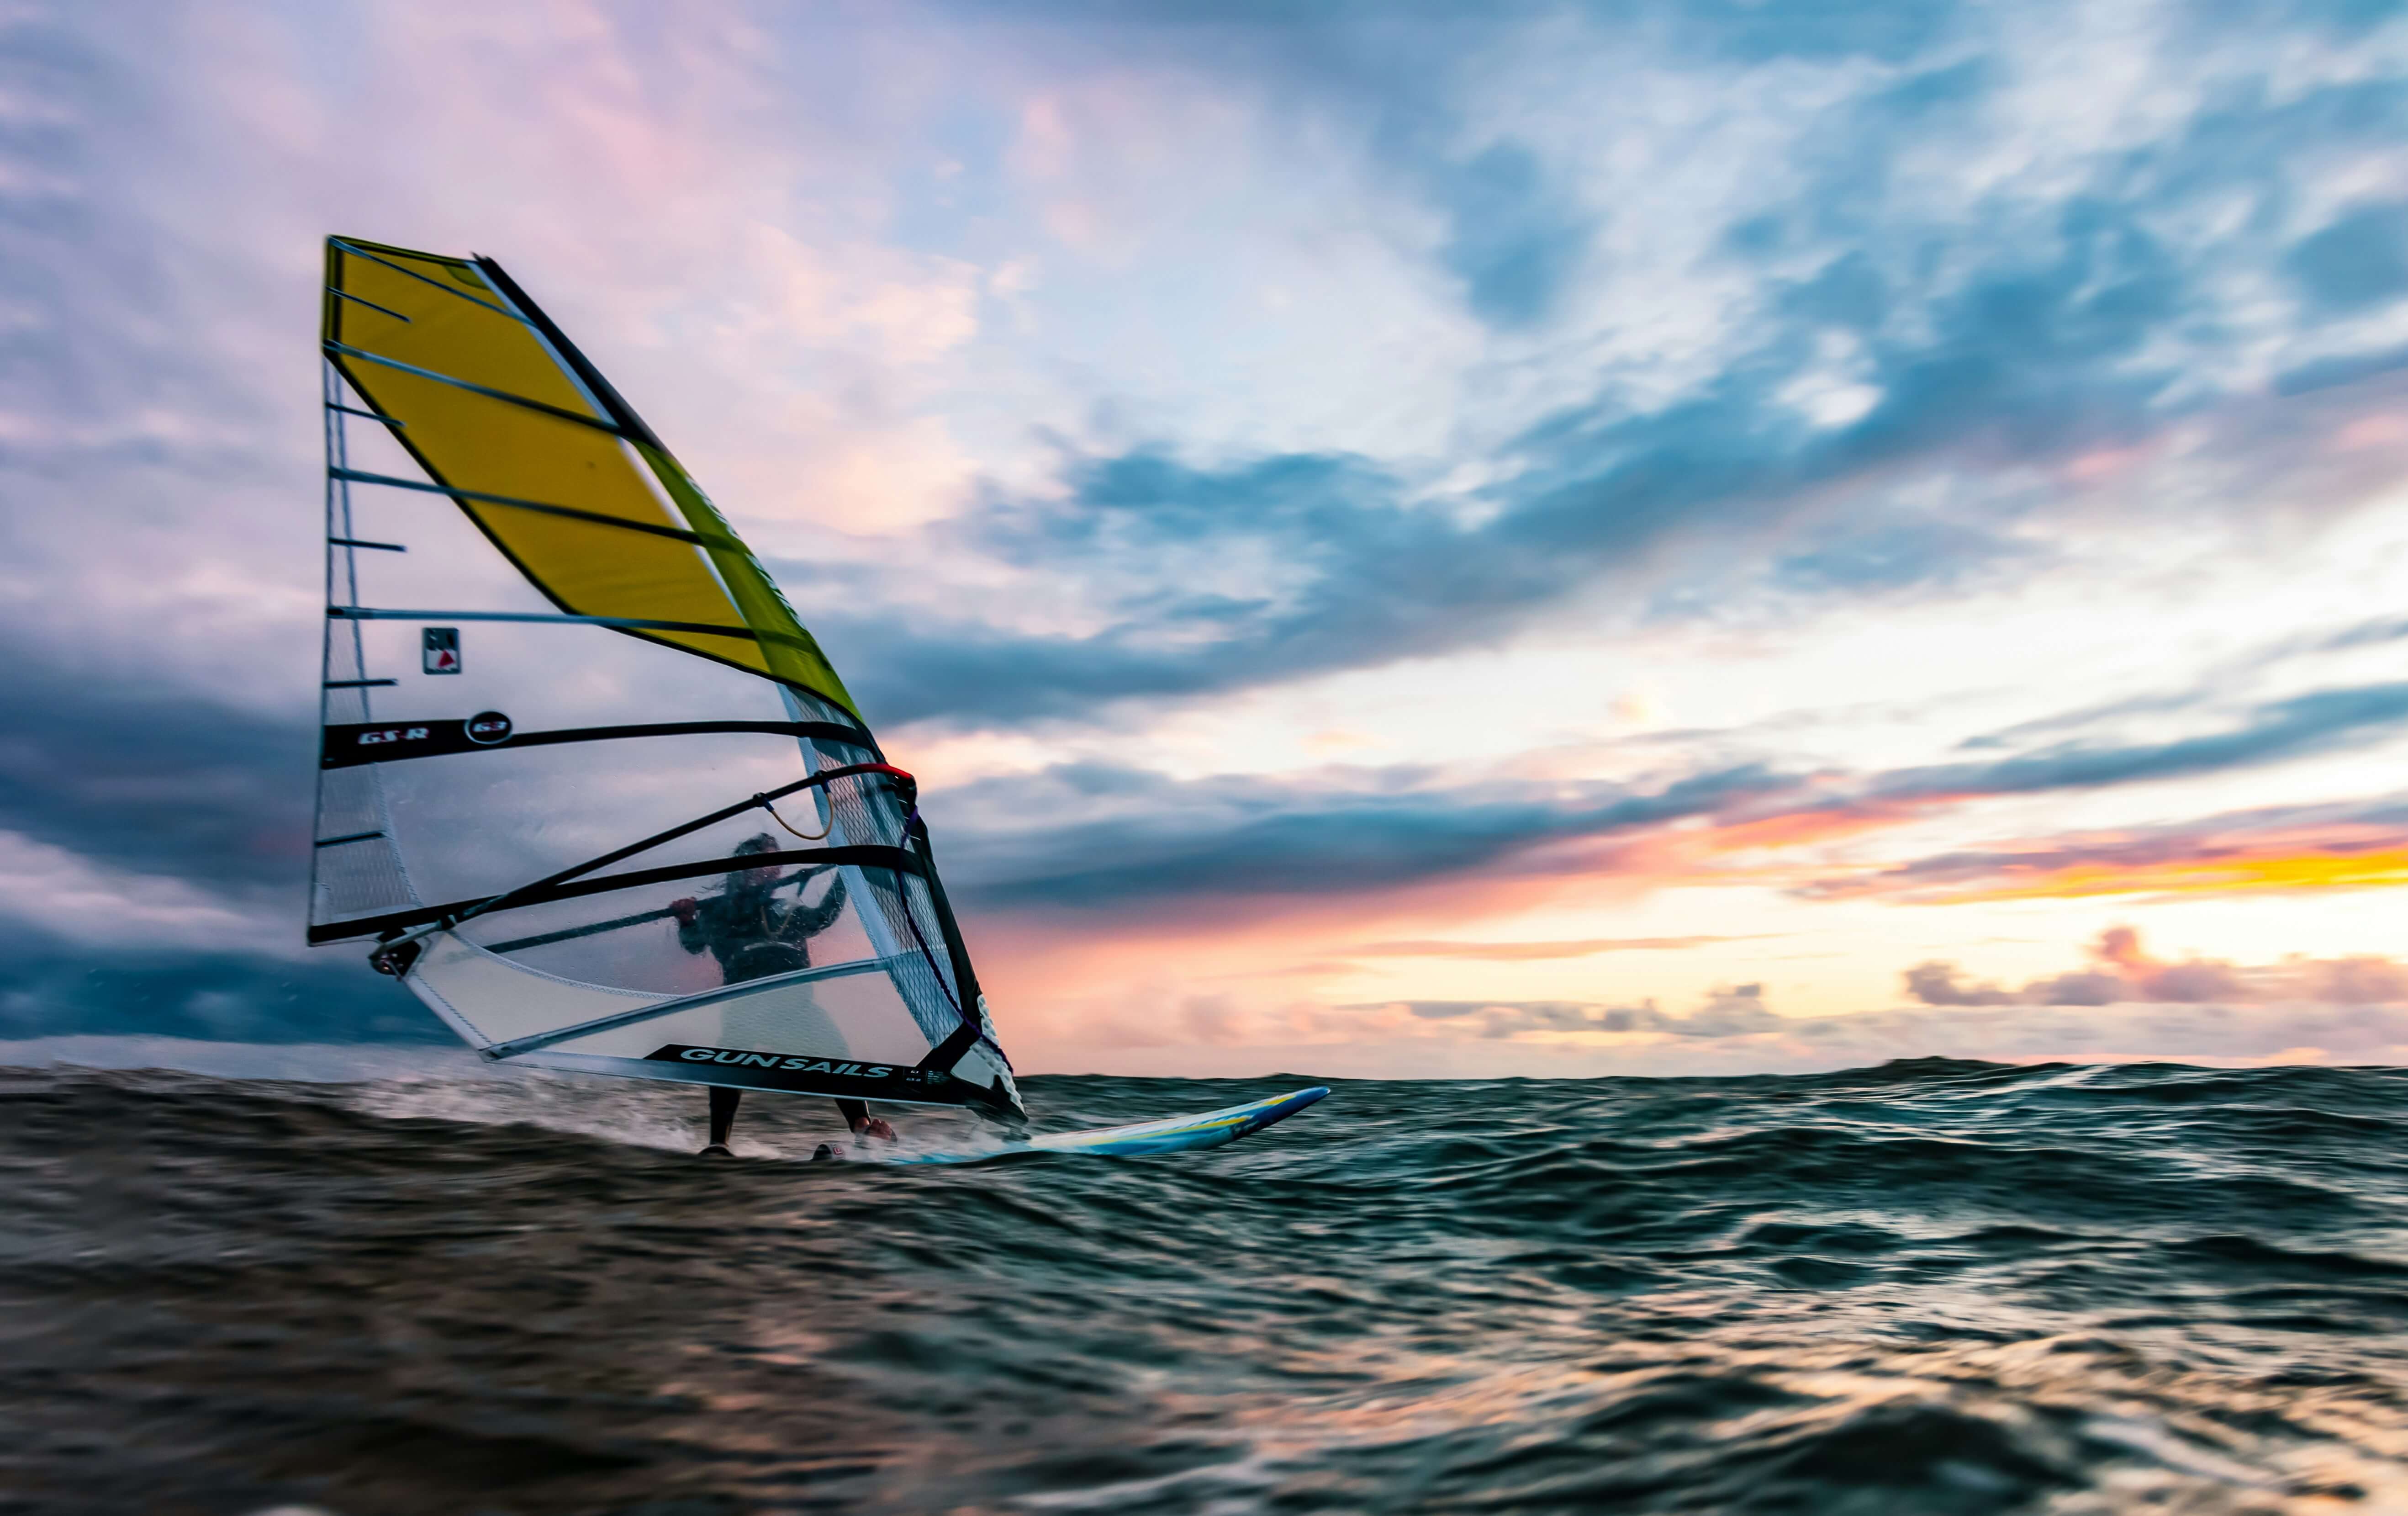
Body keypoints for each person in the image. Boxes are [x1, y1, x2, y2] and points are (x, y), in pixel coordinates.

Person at [669, 832, 895, 1156]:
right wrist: (687, 920)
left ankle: (862, 1129)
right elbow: (694, 944)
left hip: (796, 1004)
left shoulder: (784, 907)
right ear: (743, 867)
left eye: (776, 866)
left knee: (837, 1053)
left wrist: (846, 877)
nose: (773, 872)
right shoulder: (718, 911)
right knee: (729, 1059)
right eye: (765, 864)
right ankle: (718, 1144)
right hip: (747, 1003)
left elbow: (822, 918)